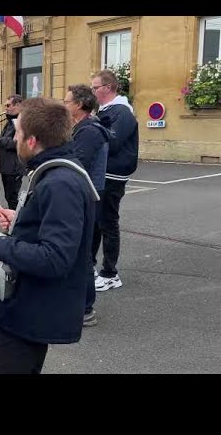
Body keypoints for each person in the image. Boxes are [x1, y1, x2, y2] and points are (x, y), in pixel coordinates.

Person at [0, 97, 95, 374]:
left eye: (17, 133)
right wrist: (22, 220)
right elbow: (51, 229)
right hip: (29, 308)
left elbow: (55, 258)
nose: (14, 139)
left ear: (31, 141)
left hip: (30, 314)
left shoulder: (61, 183)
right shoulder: (55, 172)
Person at [64, 84, 111, 327]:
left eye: (67, 101)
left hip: (88, 196)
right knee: (75, 252)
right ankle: (77, 304)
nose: (64, 105)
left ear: (80, 105)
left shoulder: (90, 131)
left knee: (82, 254)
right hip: (83, 195)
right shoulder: (80, 128)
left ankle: (85, 309)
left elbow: (77, 164)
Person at [91, 70, 139, 292]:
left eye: (95, 87)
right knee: (95, 222)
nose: (93, 92)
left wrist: (91, 129)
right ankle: (89, 266)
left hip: (113, 175)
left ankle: (110, 274)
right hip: (103, 174)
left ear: (107, 88)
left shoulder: (122, 111)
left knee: (108, 222)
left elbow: (114, 142)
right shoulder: (107, 111)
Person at [0, 95, 24, 209]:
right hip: (7, 167)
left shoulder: (21, 122)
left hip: (14, 168)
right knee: (9, 197)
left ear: (18, 106)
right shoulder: (10, 122)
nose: (6, 108)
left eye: (8, 105)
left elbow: (17, 144)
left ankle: (15, 222)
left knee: (12, 198)